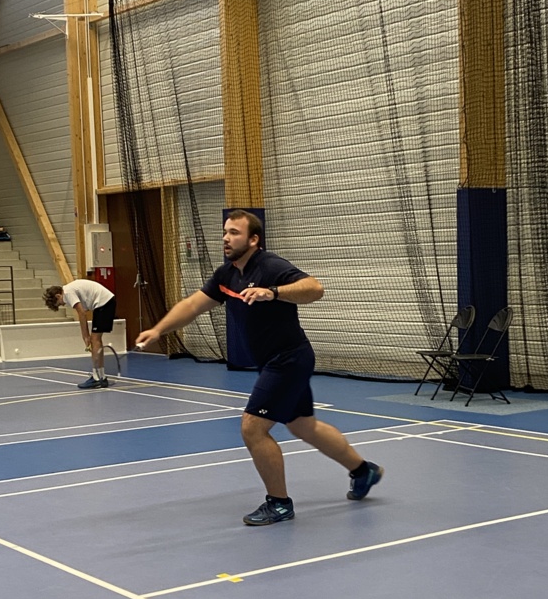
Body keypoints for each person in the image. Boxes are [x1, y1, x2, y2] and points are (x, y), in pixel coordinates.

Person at [136, 209, 384, 526]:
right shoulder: (227, 274)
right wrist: (159, 330)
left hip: (288, 359)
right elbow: (193, 305)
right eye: (225, 232)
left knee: (253, 427)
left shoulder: (270, 266)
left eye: (234, 233)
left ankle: (279, 503)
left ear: (253, 239)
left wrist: (273, 292)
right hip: (276, 360)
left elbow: (315, 288)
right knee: (303, 426)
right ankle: (364, 471)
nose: (226, 238)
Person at [43, 279, 116, 389]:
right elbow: (84, 311)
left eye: (60, 303)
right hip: (105, 302)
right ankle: (101, 377)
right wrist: (87, 337)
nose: (63, 304)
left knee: (95, 340)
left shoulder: (68, 293)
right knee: (96, 340)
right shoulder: (70, 290)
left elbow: (81, 313)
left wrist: (85, 336)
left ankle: (97, 378)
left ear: (58, 296)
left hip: (104, 303)